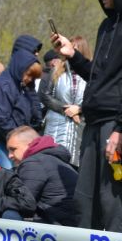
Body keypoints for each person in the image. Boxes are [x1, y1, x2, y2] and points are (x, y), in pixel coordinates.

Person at [49, 0, 122, 241]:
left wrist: (120, 131)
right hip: (94, 124)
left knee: (114, 205)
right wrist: (73, 56)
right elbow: (100, 77)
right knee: (85, 204)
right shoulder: (106, 28)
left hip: (115, 127)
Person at [6, 126, 79, 241]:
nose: (10, 155)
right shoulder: (50, 158)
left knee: (10, 216)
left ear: (30, 144)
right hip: (69, 222)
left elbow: (24, 203)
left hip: (58, 224)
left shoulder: (33, 162)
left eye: (13, 149)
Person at [0, 45, 43, 169]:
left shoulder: (20, 86)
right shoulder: (4, 86)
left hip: (7, 137)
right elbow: (2, 119)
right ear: (20, 68)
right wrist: (20, 139)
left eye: (33, 78)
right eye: (28, 75)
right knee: (9, 170)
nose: (29, 80)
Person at [39, 37, 91, 168]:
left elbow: (97, 98)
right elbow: (45, 95)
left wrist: (80, 109)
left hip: (81, 125)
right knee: (53, 164)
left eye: (74, 48)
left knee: (78, 166)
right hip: (57, 125)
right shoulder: (56, 70)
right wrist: (65, 109)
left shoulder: (92, 73)